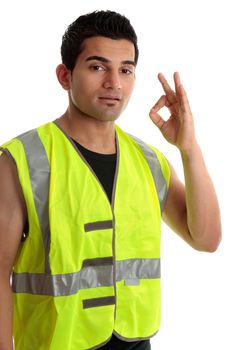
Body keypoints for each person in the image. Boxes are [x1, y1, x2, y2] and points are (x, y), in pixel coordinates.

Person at [0, 10, 221, 350]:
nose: (114, 83)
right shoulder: (23, 159)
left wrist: (188, 147)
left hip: (135, 343)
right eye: (97, 66)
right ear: (65, 75)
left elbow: (206, 239)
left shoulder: (148, 161)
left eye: (126, 70)